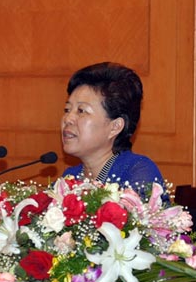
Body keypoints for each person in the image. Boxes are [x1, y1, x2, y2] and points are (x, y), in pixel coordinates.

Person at [61, 62, 164, 195]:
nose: (68, 119)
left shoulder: (138, 172)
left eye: (81, 111)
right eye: (67, 109)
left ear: (115, 127)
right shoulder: (70, 177)